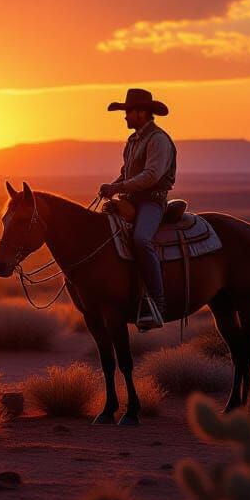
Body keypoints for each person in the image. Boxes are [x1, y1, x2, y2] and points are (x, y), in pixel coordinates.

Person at [99, 88, 176, 331]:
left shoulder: (159, 140)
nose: (125, 117)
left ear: (141, 113)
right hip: (131, 201)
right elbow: (126, 172)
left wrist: (118, 187)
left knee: (142, 240)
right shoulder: (133, 141)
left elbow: (151, 175)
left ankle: (158, 302)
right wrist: (113, 187)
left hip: (151, 201)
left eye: (128, 112)